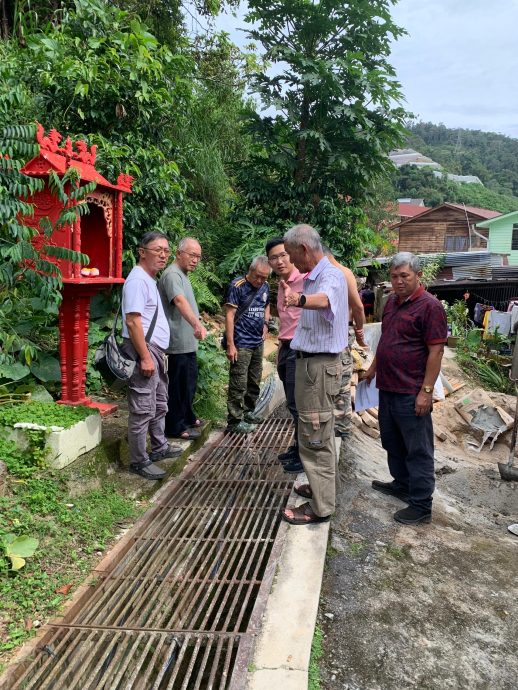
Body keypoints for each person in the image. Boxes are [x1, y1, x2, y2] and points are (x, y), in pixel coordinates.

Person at [364, 252, 447, 525]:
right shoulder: (391, 303)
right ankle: (401, 484)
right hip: (387, 387)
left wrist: (426, 391)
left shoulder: (430, 307)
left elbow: (436, 351)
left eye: (404, 276)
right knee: (391, 441)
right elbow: (386, 340)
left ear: (418, 276)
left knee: (418, 449)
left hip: (411, 391)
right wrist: (374, 368)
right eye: (394, 276)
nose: (398, 281)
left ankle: (421, 504)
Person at [280, 224, 348, 525]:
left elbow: (326, 301)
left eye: (293, 256)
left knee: (315, 434)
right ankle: (321, 489)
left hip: (318, 368)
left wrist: (299, 301)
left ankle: (321, 508)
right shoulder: (314, 277)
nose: (293, 263)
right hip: (311, 364)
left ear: (305, 249)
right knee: (315, 432)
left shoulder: (329, 276)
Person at [121, 232, 182, 480]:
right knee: (142, 407)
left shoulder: (149, 279)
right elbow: (133, 321)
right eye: (158, 249)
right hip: (143, 351)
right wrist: (145, 357)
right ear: (142, 251)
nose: (163, 255)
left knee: (158, 402)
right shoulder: (137, 280)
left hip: (155, 352)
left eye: (166, 250)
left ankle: (159, 447)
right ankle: (139, 459)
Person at [159, 237, 207, 440]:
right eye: (192, 255)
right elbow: (178, 300)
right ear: (178, 254)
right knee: (176, 387)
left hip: (188, 343)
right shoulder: (172, 275)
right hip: (176, 343)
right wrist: (197, 324)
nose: (195, 260)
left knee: (188, 383)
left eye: (198, 256)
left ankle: (187, 416)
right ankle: (174, 426)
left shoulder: (183, 275)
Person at [265, 237, 305, 473]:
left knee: (299, 403)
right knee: (292, 403)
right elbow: (286, 322)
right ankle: (298, 446)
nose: (279, 261)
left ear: (291, 255)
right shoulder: (281, 285)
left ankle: (303, 454)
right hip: (286, 347)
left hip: (300, 349)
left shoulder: (304, 281)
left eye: (283, 255)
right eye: (273, 258)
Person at [323, 248, 366, 448]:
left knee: (340, 380)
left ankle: (341, 428)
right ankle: (335, 425)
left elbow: (358, 307)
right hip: (330, 334)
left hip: (341, 333)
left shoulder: (342, 273)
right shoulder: (330, 273)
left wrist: (359, 330)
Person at [225, 256, 271, 433]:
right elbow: (229, 315)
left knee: (254, 379)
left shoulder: (265, 287)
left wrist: (266, 324)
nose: (259, 281)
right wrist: (231, 344)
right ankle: (234, 421)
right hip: (241, 342)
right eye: (257, 276)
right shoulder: (237, 286)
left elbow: (266, 305)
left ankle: (249, 411)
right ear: (250, 270)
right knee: (239, 381)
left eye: (264, 278)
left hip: (257, 341)